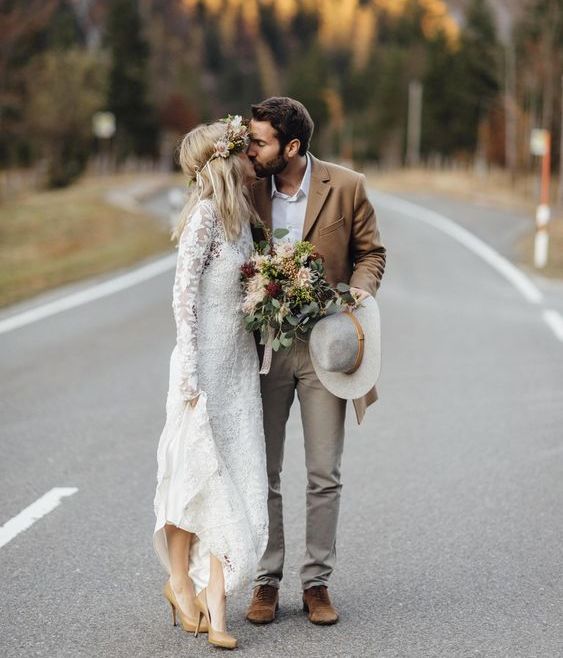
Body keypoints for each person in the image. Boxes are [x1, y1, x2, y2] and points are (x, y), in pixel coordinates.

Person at [245, 97, 386, 626]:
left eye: (261, 142)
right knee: (263, 470)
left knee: (324, 471)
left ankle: (317, 582)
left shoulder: (346, 186)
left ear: (293, 147)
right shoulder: (245, 183)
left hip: (326, 349)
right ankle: (265, 579)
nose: (253, 150)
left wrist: (355, 297)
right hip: (263, 350)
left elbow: (373, 253)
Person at [153, 117, 268, 650]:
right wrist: (190, 372)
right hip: (203, 370)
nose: (255, 160)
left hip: (240, 371)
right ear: (226, 161)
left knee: (233, 481)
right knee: (195, 478)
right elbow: (183, 299)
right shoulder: (203, 218)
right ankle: (181, 585)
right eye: (246, 153)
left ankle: (210, 597)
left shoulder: (244, 221)